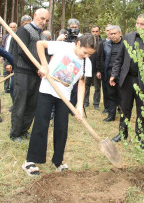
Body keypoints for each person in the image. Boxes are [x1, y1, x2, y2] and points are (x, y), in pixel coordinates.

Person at [22, 33, 97, 176]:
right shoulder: (63, 46)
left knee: (62, 128)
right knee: (41, 125)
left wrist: (79, 106)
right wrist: (45, 65)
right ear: (78, 44)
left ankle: (58, 161)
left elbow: (82, 84)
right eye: (85, 52)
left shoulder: (87, 63)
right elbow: (40, 44)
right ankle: (30, 161)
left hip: (64, 97)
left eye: (90, 54)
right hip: (47, 90)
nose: (86, 56)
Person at [110, 14, 144, 146]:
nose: (139, 26)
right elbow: (119, 58)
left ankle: (140, 138)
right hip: (127, 80)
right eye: (137, 23)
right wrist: (114, 74)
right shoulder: (128, 37)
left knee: (142, 111)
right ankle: (122, 134)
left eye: (142, 24)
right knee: (125, 109)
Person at [9, 8, 50, 142]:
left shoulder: (43, 36)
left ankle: (24, 129)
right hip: (23, 72)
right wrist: (37, 67)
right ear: (35, 15)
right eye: (42, 18)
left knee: (32, 104)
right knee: (20, 103)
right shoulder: (24, 30)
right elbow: (23, 51)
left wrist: (44, 67)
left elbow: (45, 54)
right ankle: (15, 134)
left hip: (37, 75)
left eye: (46, 20)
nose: (44, 22)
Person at [103, 25, 123, 122]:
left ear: (120, 33)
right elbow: (102, 58)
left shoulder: (126, 44)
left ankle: (123, 115)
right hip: (109, 72)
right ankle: (111, 115)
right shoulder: (106, 44)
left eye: (115, 33)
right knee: (110, 94)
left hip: (122, 73)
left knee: (122, 95)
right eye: (111, 34)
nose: (113, 36)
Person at [84, 25, 103, 109]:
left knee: (97, 87)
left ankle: (96, 103)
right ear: (91, 32)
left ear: (99, 32)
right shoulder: (87, 42)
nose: (95, 33)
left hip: (97, 69)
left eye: (96, 31)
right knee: (86, 85)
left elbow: (101, 57)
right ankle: (85, 102)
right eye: (93, 31)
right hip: (87, 68)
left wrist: (99, 70)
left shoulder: (102, 43)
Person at [96, 24, 112, 114]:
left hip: (114, 72)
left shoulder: (119, 42)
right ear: (105, 32)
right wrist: (98, 70)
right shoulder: (102, 43)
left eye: (110, 30)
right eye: (107, 30)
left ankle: (116, 106)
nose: (109, 32)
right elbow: (99, 57)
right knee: (105, 90)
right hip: (104, 71)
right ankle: (106, 107)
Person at [1, 22, 17, 94]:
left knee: (13, 73)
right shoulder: (6, 36)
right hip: (5, 57)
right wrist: (2, 56)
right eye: (10, 27)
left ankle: (12, 88)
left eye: (13, 27)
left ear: (16, 28)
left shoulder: (17, 37)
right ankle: (6, 88)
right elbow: (4, 46)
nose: (12, 28)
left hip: (12, 58)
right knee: (5, 74)